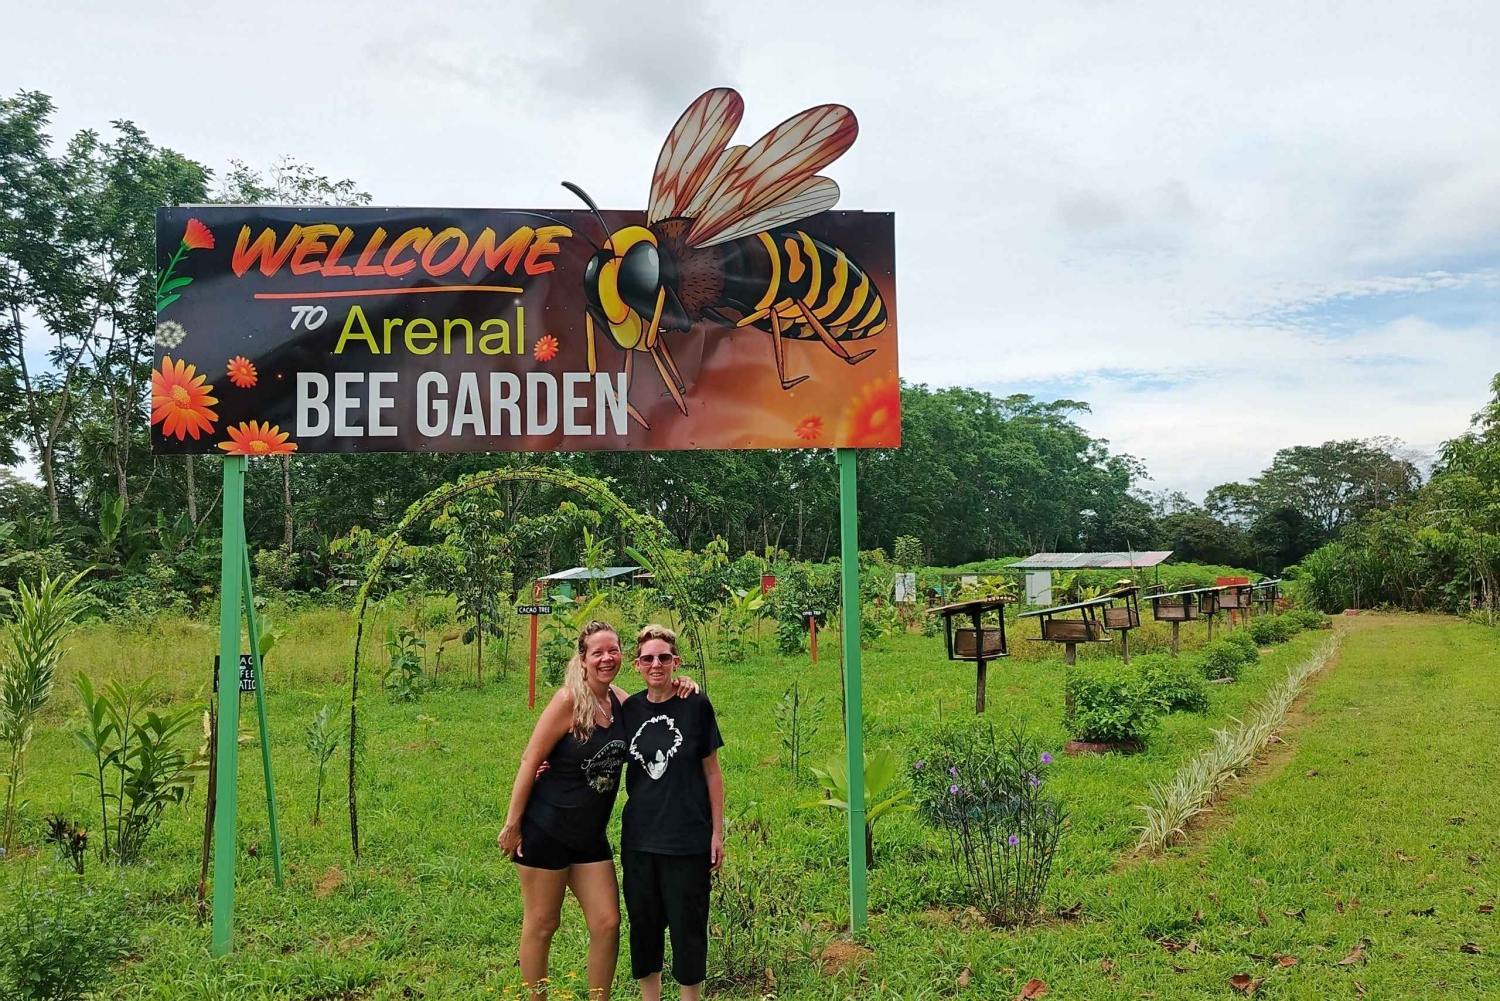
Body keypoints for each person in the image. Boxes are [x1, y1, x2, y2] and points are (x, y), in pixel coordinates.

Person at [497, 620, 696, 1001]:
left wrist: (681, 684)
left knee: (607, 924)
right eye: (598, 652)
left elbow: (657, 708)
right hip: (546, 830)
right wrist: (512, 824)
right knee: (543, 923)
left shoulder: (620, 702)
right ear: (583, 658)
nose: (607, 658)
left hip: (589, 837)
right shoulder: (568, 700)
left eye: (613, 650)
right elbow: (530, 760)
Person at [618, 624, 725, 1001]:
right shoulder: (629, 709)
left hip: (687, 839)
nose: (656, 664)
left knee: (688, 929)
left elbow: (712, 772)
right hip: (640, 840)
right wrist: (547, 767)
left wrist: (716, 832)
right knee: (643, 928)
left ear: (676, 662)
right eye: (648, 658)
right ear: (636, 665)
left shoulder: (696, 705)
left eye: (664, 657)